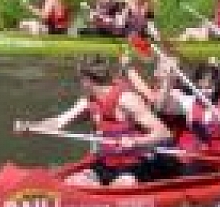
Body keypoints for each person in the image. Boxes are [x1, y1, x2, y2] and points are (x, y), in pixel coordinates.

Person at [14, 55, 174, 186]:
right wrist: (32, 126)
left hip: (136, 165)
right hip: (105, 164)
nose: (80, 84)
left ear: (87, 80)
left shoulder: (127, 99)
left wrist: (136, 141)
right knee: (73, 183)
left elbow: (164, 133)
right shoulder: (88, 101)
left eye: (80, 80)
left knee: (120, 186)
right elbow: (58, 123)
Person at [126, 56, 220, 152]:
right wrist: (169, 79)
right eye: (200, 88)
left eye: (209, 88)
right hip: (200, 155)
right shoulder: (190, 102)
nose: (204, 92)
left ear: (217, 87)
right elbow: (160, 106)